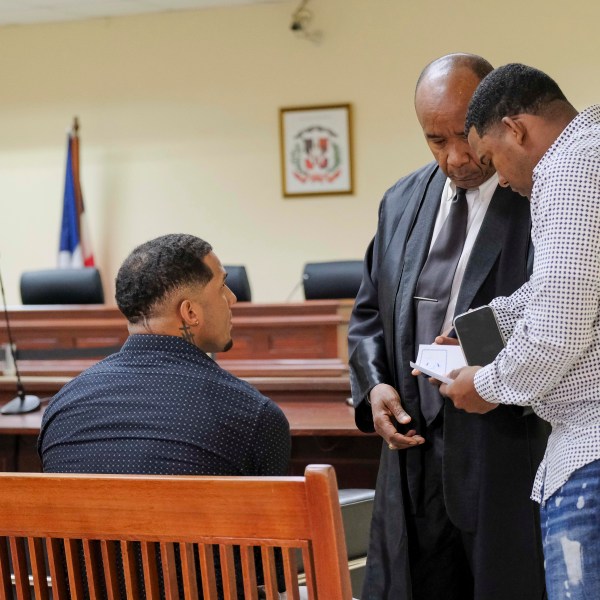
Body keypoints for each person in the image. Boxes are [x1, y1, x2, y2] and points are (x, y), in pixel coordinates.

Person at [348, 54, 549, 600]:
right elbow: (369, 313)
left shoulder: (538, 193)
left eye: (465, 136)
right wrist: (374, 387)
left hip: (505, 447)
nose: (456, 157)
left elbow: (556, 313)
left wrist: (478, 359)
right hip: (412, 450)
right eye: (436, 140)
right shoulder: (402, 200)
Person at [38, 233, 291, 596]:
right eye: (222, 287)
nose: (232, 299)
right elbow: (272, 569)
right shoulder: (252, 415)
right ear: (190, 312)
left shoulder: (62, 407)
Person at [444, 63, 600, 600]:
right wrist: (480, 331)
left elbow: (559, 328)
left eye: (493, 161)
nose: (502, 180)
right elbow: (563, 286)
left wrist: (484, 386)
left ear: (516, 128)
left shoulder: (569, 168)